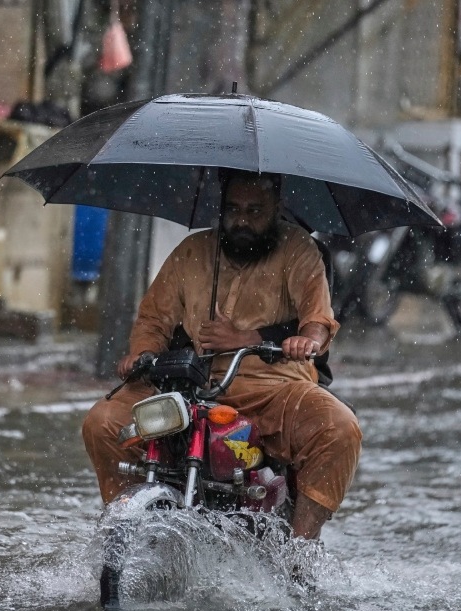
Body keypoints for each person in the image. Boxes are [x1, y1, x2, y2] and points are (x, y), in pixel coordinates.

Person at [81, 169, 362, 540]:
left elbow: (318, 321)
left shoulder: (300, 250)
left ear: (277, 207)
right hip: (189, 386)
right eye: (233, 209)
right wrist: (142, 354)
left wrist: (301, 340)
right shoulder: (191, 252)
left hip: (273, 386)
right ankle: (125, 533)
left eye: (255, 211)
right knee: (102, 421)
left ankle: (302, 550)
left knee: (339, 428)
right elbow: (153, 318)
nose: (242, 220)